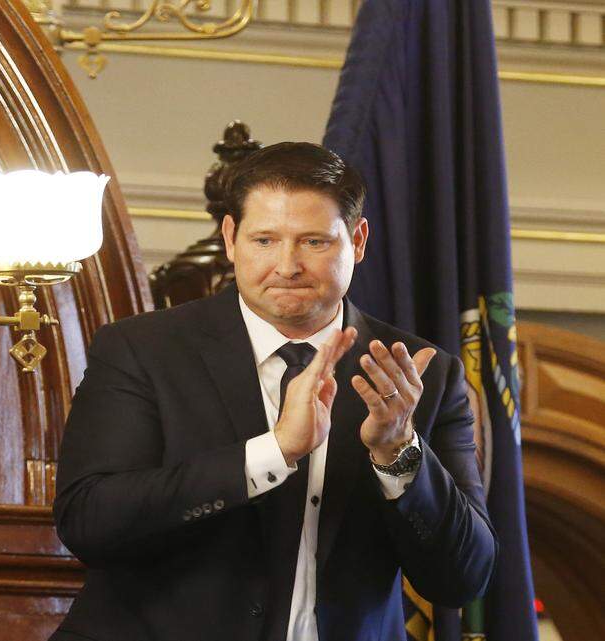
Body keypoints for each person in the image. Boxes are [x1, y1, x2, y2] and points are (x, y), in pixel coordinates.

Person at [49, 142, 496, 641]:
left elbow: (463, 578)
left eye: (314, 242)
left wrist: (397, 453)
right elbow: (89, 524)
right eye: (265, 240)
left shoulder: (419, 374)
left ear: (359, 240)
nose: (287, 266)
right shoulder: (142, 350)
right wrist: (273, 452)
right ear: (230, 238)